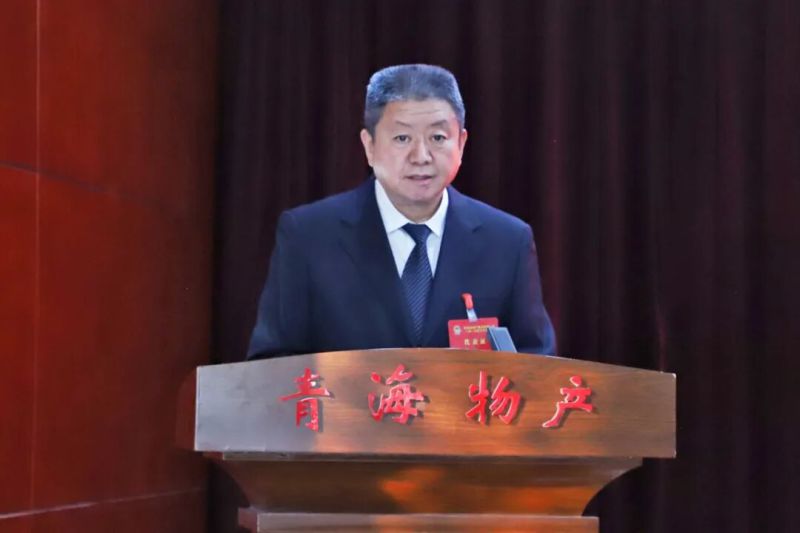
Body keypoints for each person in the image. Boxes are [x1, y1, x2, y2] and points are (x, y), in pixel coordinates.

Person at [247, 64, 555, 359]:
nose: (421, 156)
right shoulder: (309, 236)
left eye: (437, 138)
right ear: (369, 146)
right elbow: (273, 363)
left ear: (461, 143)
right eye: (402, 138)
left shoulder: (507, 241)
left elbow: (537, 365)